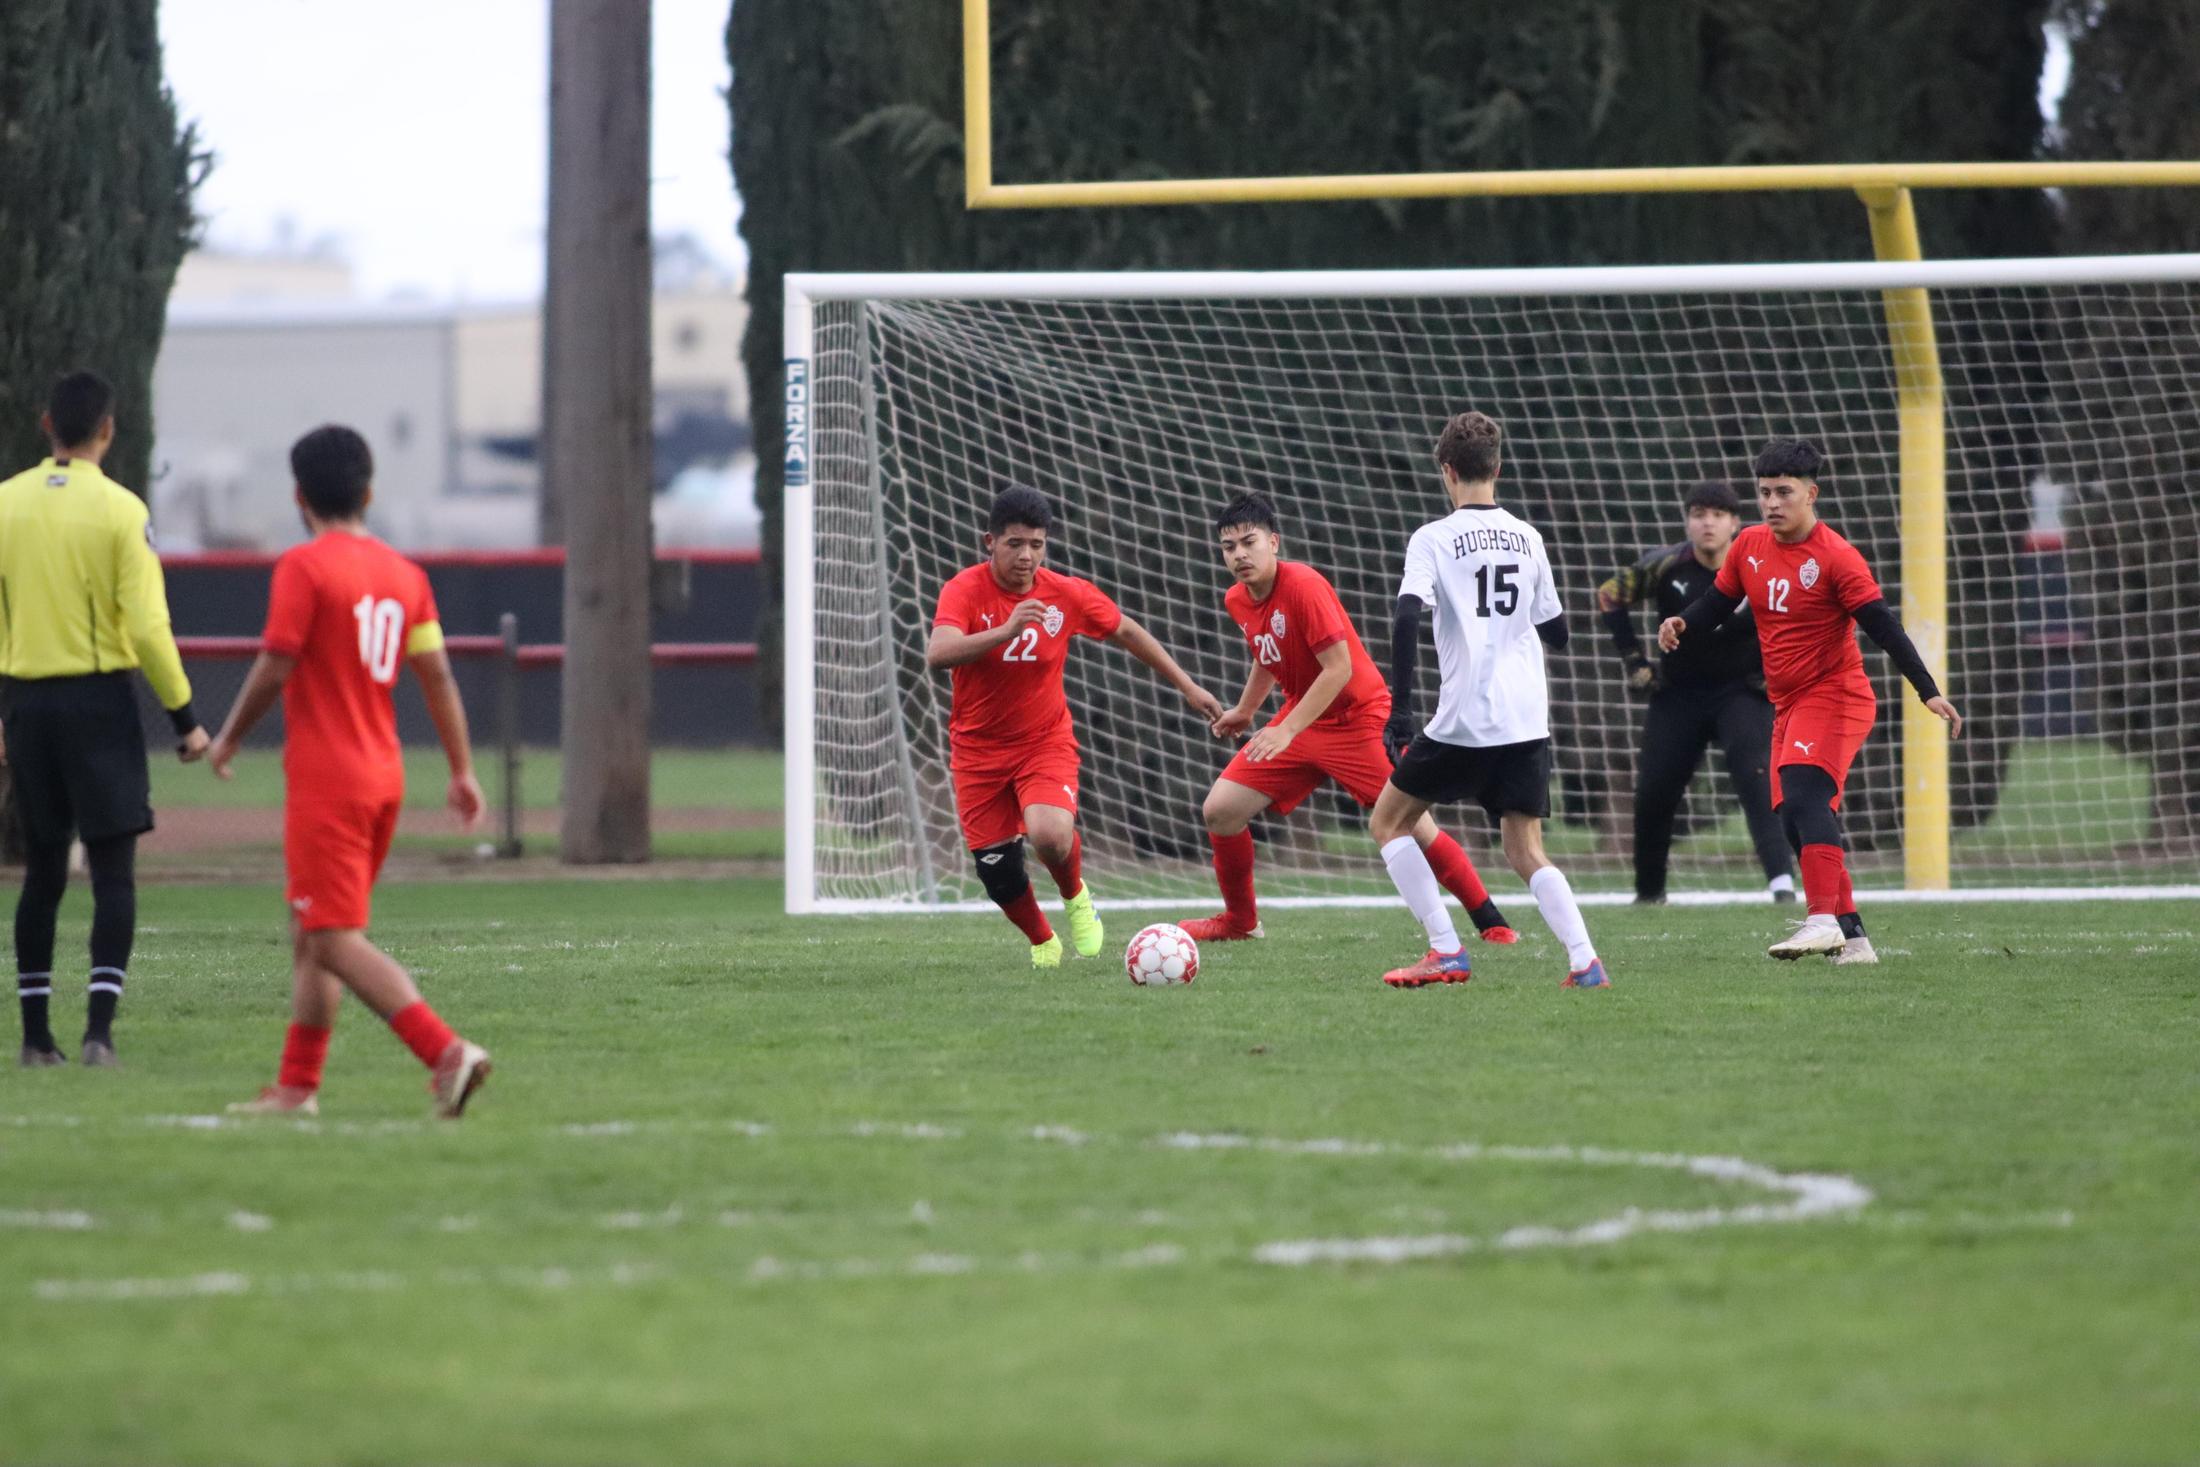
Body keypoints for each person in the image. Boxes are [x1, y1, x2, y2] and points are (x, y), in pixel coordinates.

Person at [212, 425, 491, 1117]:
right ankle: (296, 1088)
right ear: (369, 492)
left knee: (332, 936)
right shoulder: (407, 576)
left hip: (328, 781)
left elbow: (275, 665)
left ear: (299, 497)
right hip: (382, 777)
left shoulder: (304, 569)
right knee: (314, 931)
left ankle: (446, 1051)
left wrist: (227, 739)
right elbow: (438, 678)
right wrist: (461, 768)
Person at [1659, 437, 1962, 965]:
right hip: (1789, 701)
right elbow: (1719, 602)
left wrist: (1928, 691)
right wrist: (1684, 621)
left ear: (1811, 493)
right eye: (1764, 493)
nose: (1772, 503)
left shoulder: (1836, 557)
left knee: (1803, 799)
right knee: (1795, 819)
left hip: (1837, 695)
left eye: (1784, 492)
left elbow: (1884, 628)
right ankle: (1856, 940)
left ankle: (1821, 921)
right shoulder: (1750, 544)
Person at [1180, 489, 1515, 944]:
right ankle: (1241, 922)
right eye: (1228, 546)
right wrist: (1246, 710)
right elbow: (1266, 652)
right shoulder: (1237, 599)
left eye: (1248, 542)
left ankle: (1491, 922)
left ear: (1273, 542)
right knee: (1219, 811)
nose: (1239, 554)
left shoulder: (1304, 585)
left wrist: (1286, 730)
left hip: (1359, 719)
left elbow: (1338, 669)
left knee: (1412, 825)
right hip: (1301, 720)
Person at [1, 370, 208, 1068]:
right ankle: (98, 1033)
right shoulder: (122, 511)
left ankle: (34, 1039)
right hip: (96, 701)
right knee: (114, 873)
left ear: (45, 423)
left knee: (43, 873)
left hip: (26, 703)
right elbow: (148, 628)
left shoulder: (5, 505)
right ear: (108, 430)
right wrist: (185, 716)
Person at [927, 484, 1223, 968]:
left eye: (1037, 545)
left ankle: (1075, 895)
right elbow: (938, 653)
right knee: (997, 871)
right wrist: (1005, 630)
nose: (1027, 556)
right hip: (976, 751)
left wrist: (1189, 688)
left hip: (1044, 742)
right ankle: (1043, 941)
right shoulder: (963, 589)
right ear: (990, 542)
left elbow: (1127, 629)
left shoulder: (1065, 594)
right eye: (1015, 543)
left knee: (1049, 836)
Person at [1369, 412, 1609, 990]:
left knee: (1389, 821)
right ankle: (1585, 962)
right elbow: (1557, 632)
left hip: (1465, 717)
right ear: (1497, 469)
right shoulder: (1528, 536)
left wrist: (1400, 709)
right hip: (1526, 716)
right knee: (1525, 848)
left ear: (1448, 472)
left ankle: (1446, 950)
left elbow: (1406, 616)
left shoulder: (1433, 537)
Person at [1596, 480, 1796, 904]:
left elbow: (1794, 611)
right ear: (1687, 521)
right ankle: (1649, 895)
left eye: (1717, 515)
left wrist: (1775, 668)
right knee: (1654, 791)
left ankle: (1782, 885)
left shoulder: (1761, 564)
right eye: (1699, 515)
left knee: (1759, 780)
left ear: (1735, 524)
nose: (1708, 523)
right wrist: (1635, 661)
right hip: (1678, 694)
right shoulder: (1666, 565)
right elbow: (1609, 595)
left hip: (1740, 692)